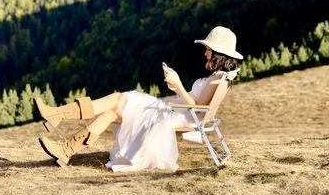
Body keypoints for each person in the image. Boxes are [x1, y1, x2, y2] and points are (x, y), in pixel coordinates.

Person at [35, 26, 242, 172]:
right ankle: (65, 146)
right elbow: (196, 108)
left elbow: (197, 111)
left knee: (117, 100)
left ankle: (58, 119)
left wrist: (178, 85)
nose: (205, 52)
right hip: (175, 111)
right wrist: (176, 88)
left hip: (175, 115)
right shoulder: (220, 77)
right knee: (112, 110)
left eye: (208, 49)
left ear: (219, 53)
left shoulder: (217, 78)